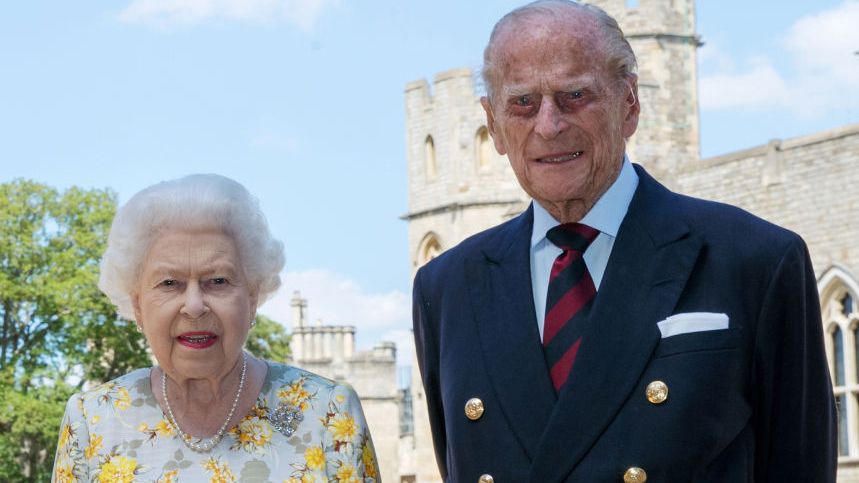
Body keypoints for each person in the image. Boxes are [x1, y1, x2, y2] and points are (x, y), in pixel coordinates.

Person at [412, 1, 836, 481]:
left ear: (629, 104)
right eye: (523, 103)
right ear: (493, 125)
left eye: (574, 95)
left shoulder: (755, 261)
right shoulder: (445, 289)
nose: (548, 125)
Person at [52, 174, 379, 482]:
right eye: (170, 283)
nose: (194, 305)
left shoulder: (329, 413)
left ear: (252, 296)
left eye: (218, 281)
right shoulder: (91, 420)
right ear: (138, 306)